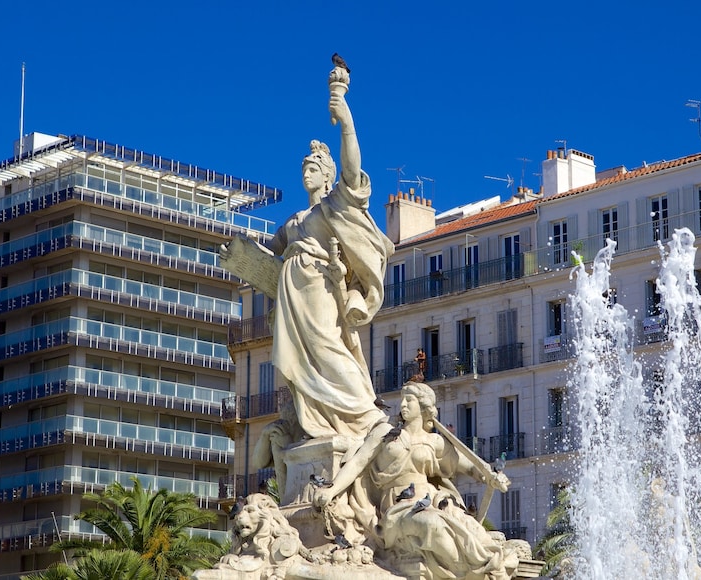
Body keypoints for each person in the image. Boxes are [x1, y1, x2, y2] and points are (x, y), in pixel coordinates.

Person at [221, 65, 393, 439]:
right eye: (304, 166)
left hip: (319, 285)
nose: (306, 171)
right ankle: (319, 422)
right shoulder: (294, 219)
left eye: (313, 166)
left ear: (327, 174)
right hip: (290, 290)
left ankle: (363, 412)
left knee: (327, 347)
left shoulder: (334, 206)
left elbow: (354, 169)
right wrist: (238, 254)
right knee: (301, 361)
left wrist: (346, 120)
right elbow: (264, 252)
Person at [314, 382, 518, 580]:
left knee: (470, 529)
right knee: (432, 525)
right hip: (399, 505)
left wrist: (491, 478)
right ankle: (472, 572)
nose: (402, 405)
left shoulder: (434, 441)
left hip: (435, 500)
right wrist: (330, 491)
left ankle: (487, 568)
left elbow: (470, 467)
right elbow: (358, 462)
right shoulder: (385, 432)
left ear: (423, 407)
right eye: (402, 400)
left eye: (408, 400)